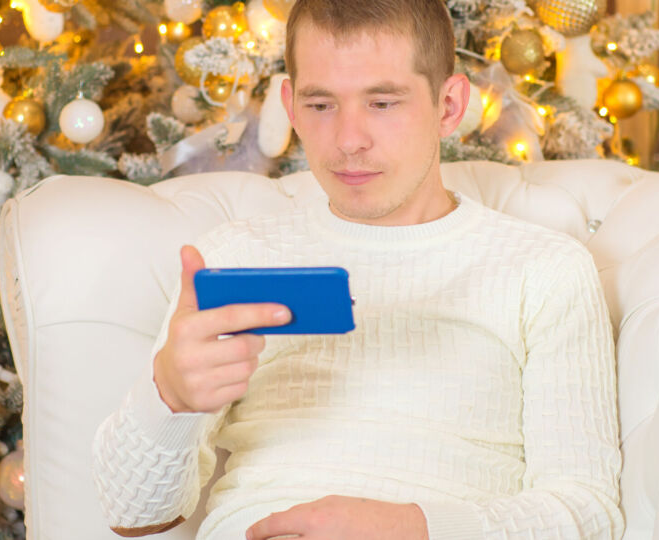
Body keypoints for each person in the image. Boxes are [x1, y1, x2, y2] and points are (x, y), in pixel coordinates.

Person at [92, 0, 624, 538]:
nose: (348, 140)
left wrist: (410, 528)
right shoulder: (235, 257)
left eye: (383, 102)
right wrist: (170, 398)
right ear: (291, 107)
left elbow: (587, 511)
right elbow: (133, 514)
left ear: (449, 105)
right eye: (321, 106)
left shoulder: (544, 270)